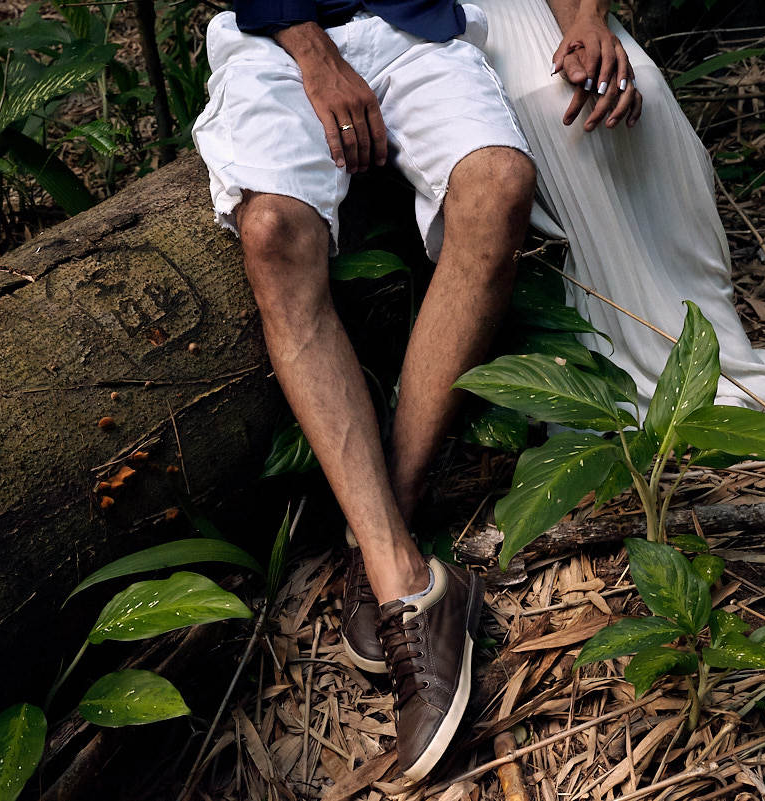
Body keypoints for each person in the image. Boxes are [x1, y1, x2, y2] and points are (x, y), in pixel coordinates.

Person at [191, 0, 538, 781]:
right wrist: (314, 54)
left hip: (413, 23)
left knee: (499, 185)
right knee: (272, 232)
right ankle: (404, 583)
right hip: (278, 37)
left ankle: (387, 534)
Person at [471, 0, 765, 418]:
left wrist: (588, 23)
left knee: (641, 91)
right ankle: (626, 356)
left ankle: (706, 340)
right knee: (556, 101)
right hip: (456, 17)